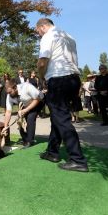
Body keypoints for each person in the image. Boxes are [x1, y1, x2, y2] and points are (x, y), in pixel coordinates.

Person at [36, 18, 88, 172]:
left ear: (43, 26)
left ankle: (78, 159)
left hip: (59, 79)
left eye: (37, 31)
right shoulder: (68, 36)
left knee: (62, 119)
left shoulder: (48, 36)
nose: (38, 34)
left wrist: (42, 77)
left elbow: (42, 62)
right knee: (57, 117)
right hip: (73, 79)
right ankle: (52, 152)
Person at [2, 80, 44, 148]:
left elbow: (37, 99)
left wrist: (26, 110)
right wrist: (5, 127)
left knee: (30, 117)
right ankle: (26, 138)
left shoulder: (26, 87)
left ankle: (30, 141)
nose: (9, 94)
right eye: (8, 93)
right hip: (26, 103)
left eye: (10, 92)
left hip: (39, 101)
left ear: (15, 87)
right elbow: (8, 112)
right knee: (19, 121)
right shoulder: (9, 96)